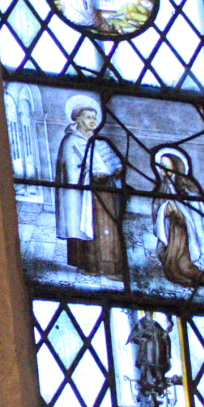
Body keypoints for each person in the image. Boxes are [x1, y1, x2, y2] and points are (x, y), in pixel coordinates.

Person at [54, 97, 124, 276]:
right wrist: (89, 176)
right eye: (87, 117)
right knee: (86, 225)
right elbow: (69, 171)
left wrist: (115, 170)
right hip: (82, 194)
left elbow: (112, 163)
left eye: (94, 117)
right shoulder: (70, 142)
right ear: (77, 119)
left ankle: (109, 266)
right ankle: (89, 265)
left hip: (104, 191)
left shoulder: (100, 142)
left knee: (106, 227)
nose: (92, 121)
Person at [152, 146, 204, 289]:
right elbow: (157, 208)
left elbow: (195, 208)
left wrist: (180, 211)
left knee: (184, 267)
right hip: (173, 233)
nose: (162, 169)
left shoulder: (187, 185)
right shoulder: (163, 187)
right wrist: (165, 209)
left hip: (188, 235)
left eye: (166, 166)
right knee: (171, 269)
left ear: (177, 165)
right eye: (160, 166)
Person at [127, 310, 175, 407]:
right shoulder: (141, 323)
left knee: (157, 368)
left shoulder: (155, 324)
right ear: (145, 312)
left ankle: (158, 381)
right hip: (146, 351)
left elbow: (162, 335)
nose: (150, 313)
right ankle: (147, 382)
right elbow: (133, 336)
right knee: (146, 367)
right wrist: (142, 337)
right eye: (148, 312)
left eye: (151, 312)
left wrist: (164, 334)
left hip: (156, 353)